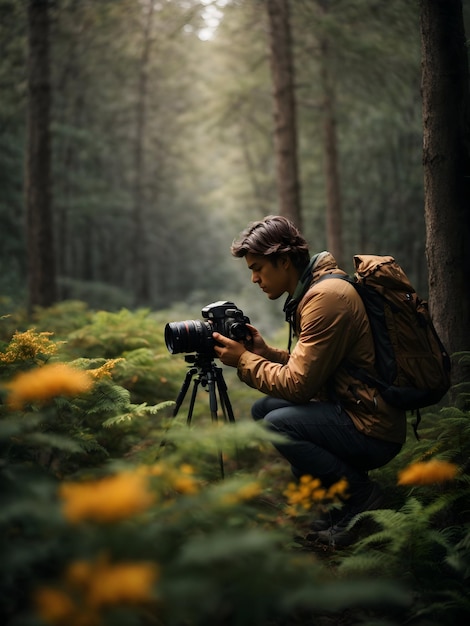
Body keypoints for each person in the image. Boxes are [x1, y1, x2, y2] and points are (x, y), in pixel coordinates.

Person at [212, 215, 405, 546]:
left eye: (258, 268)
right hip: (354, 408)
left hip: (372, 426)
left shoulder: (326, 297)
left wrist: (243, 360)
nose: (255, 279)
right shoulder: (317, 290)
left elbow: (300, 386)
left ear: (284, 261)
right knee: (264, 411)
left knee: (277, 423)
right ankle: (334, 506)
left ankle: (360, 497)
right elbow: (315, 370)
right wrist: (266, 353)